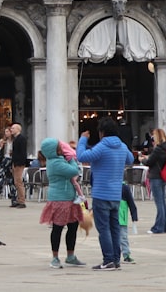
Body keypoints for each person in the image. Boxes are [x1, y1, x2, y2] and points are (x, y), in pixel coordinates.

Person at [77, 116, 134, 271]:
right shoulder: (121, 146)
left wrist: (82, 140)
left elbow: (81, 156)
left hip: (101, 193)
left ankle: (108, 259)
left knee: (104, 229)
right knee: (115, 228)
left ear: (101, 132)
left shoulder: (102, 147)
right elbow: (130, 159)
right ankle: (115, 259)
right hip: (116, 194)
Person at [39, 138, 86, 269]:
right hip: (60, 199)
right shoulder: (55, 162)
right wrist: (71, 158)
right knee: (58, 228)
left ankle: (70, 255)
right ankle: (55, 257)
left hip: (70, 198)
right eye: (59, 147)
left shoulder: (58, 160)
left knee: (73, 226)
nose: (62, 148)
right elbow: (73, 170)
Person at [140, 128, 166, 234]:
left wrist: (142, 159)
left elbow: (149, 162)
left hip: (156, 176)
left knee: (159, 203)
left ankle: (158, 227)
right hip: (162, 176)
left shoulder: (158, 149)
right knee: (162, 203)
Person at [119, 182, 139, 264]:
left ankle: (126, 255)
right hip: (112, 217)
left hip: (121, 218)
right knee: (114, 238)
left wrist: (134, 217)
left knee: (123, 237)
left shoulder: (124, 187)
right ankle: (112, 255)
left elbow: (131, 203)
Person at [10, 123, 28, 208]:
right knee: (16, 182)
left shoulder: (21, 139)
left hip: (19, 163)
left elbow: (22, 152)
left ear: (18, 129)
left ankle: (22, 201)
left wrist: (19, 162)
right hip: (15, 162)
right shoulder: (16, 139)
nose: (11, 130)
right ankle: (19, 199)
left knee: (19, 182)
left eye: (13, 128)